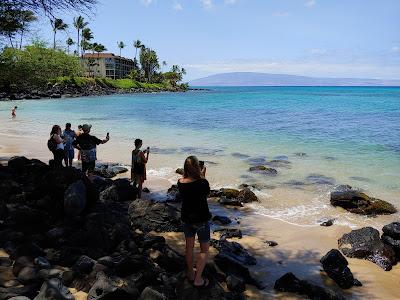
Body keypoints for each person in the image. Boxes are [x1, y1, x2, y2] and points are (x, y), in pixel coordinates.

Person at [177, 156, 211, 288]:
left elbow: (189, 191)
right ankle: (198, 280)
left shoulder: (180, 182)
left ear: (185, 168)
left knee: (189, 247)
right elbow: (206, 195)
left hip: (186, 219)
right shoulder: (202, 182)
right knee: (204, 250)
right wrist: (203, 177)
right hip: (201, 220)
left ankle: (191, 274)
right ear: (198, 167)